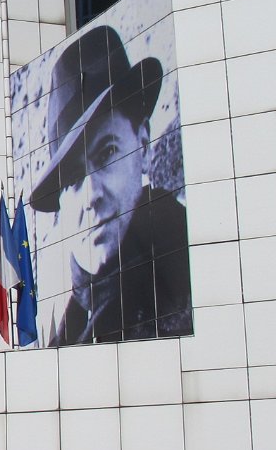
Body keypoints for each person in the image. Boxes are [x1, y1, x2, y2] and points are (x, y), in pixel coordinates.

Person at [30, 24, 191, 346]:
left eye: (107, 153)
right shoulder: (75, 319)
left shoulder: (185, 289)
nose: (91, 196)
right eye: (73, 180)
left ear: (142, 143)